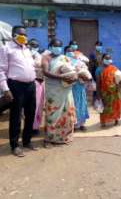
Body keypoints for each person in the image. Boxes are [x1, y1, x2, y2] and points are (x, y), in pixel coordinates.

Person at [0, 26, 37, 157]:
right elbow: (1, 70)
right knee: (16, 117)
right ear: (13, 35)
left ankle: (27, 141)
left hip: (31, 85)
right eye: (21, 34)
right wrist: (6, 89)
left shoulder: (26, 49)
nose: (24, 37)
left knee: (31, 114)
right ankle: (15, 145)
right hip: (16, 86)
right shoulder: (6, 48)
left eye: (25, 34)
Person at [42, 39, 77, 147]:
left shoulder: (64, 58)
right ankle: (49, 139)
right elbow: (45, 72)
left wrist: (73, 77)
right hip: (53, 90)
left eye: (60, 46)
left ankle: (63, 137)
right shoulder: (46, 58)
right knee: (52, 114)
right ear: (51, 46)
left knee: (66, 113)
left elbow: (73, 70)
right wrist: (61, 77)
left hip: (66, 89)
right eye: (56, 46)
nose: (58, 48)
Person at [66, 48, 91, 132]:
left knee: (81, 104)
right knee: (72, 104)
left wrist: (82, 74)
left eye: (72, 51)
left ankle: (82, 124)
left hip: (80, 86)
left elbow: (86, 74)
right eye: (69, 51)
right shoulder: (64, 62)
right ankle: (74, 124)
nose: (71, 53)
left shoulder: (80, 61)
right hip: (69, 87)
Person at [96, 53, 121, 127]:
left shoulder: (114, 68)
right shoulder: (99, 70)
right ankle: (103, 122)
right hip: (105, 92)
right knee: (104, 107)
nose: (108, 60)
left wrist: (119, 87)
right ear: (102, 60)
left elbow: (119, 79)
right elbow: (98, 83)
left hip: (115, 92)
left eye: (109, 58)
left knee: (116, 105)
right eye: (106, 58)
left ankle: (116, 119)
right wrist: (98, 95)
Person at [28, 39, 45, 135]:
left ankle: (35, 127)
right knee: (28, 107)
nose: (34, 47)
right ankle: (29, 126)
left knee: (38, 106)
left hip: (39, 83)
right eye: (33, 45)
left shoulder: (40, 56)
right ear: (29, 45)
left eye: (36, 45)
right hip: (27, 83)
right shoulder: (25, 55)